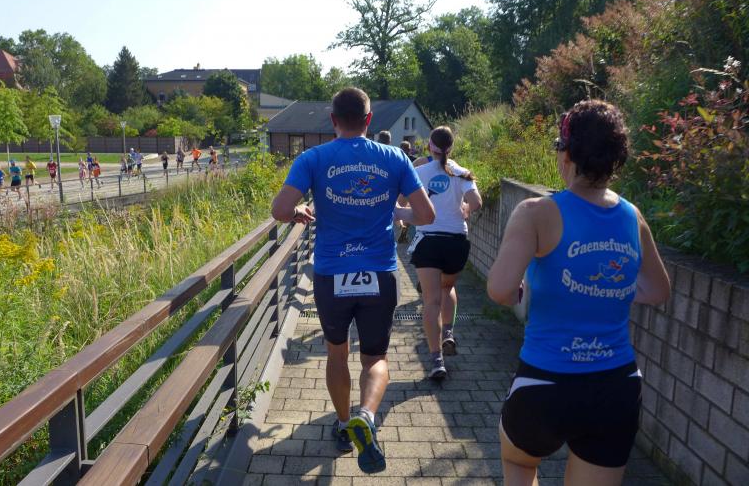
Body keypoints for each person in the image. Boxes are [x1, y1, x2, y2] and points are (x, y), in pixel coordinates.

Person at [486, 100, 670, 486]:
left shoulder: (535, 212)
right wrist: (606, 289)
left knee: (520, 464)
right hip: (616, 386)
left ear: (567, 153)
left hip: (546, 383)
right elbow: (657, 290)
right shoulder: (633, 216)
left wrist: (521, 292)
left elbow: (500, 289)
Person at [271, 87, 435, 474]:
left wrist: (299, 211)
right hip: (379, 272)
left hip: (332, 274)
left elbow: (279, 209)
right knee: (375, 358)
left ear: (332, 120)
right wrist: (397, 213)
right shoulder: (395, 157)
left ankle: (345, 424)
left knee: (337, 353)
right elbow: (426, 216)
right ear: (368, 120)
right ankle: (367, 415)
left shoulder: (313, 158)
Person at [407, 126, 481, 380]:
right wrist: (466, 210)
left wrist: (406, 217)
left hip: (428, 240)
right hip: (456, 241)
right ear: (452, 147)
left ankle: (436, 360)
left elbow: (402, 202)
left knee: (431, 301)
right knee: (447, 287)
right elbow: (476, 202)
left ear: (430, 146)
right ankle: (448, 332)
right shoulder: (462, 172)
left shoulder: (418, 172)